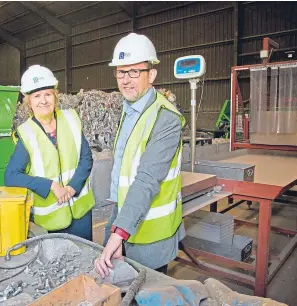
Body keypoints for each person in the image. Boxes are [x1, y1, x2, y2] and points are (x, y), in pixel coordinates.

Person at [94, 33, 186, 277]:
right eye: (121, 72)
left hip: (151, 233)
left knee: (148, 293)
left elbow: (147, 178)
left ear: (151, 74)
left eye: (134, 72)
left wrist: (119, 232)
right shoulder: (130, 110)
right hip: (125, 216)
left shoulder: (165, 118)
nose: (126, 80)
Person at [5, 65, 95, 241]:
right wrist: (51, 186)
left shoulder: (71, 119)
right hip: (51, 221)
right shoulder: (27, 133)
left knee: (85, 259)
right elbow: (11, 176)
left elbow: (86, 157)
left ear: (55, 96)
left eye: (47, 94)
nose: (43, 101)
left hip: (81, 213)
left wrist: (72, 187)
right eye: (36, 96)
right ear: (28, 102)